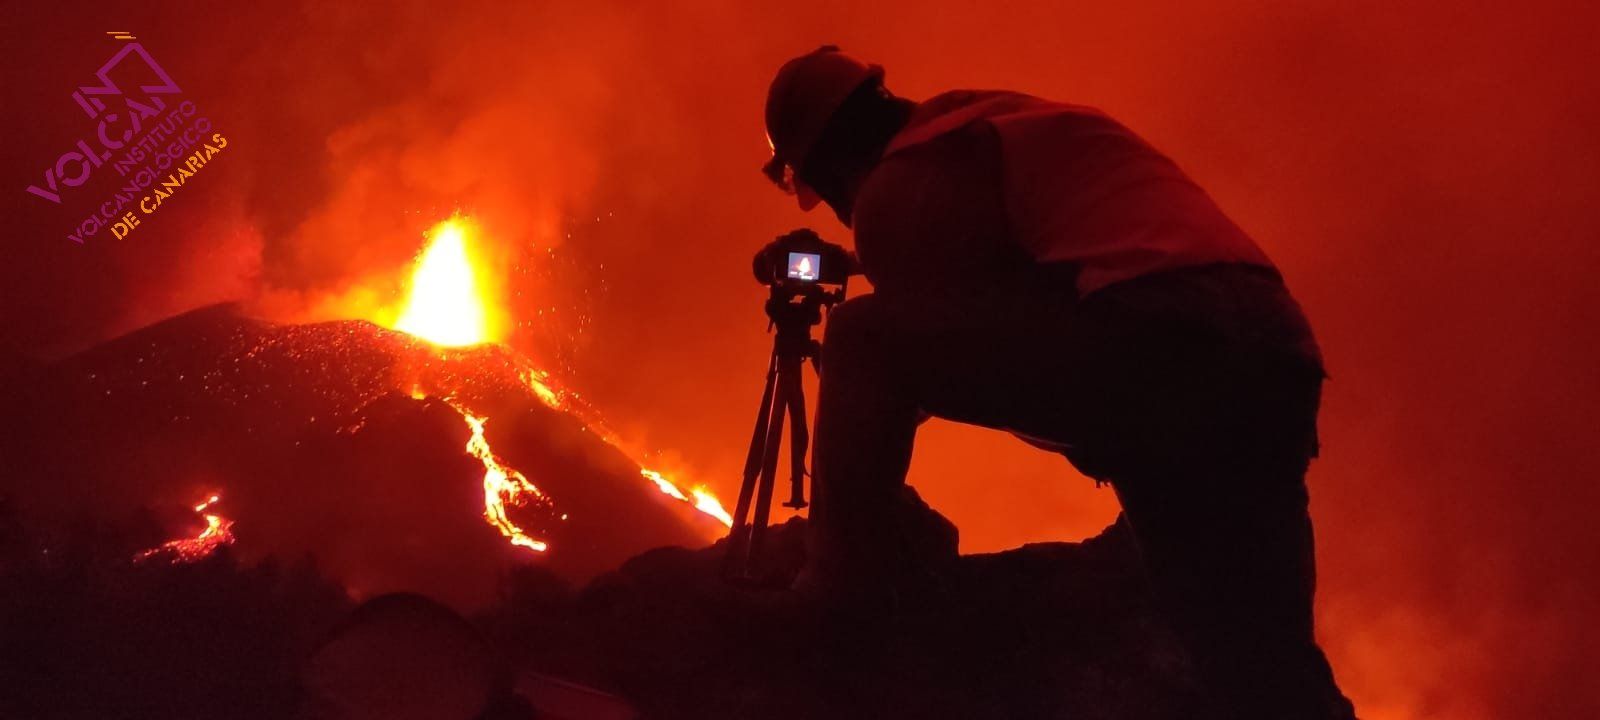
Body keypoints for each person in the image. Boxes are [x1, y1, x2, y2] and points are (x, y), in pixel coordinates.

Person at [761, 46, 1356, 719]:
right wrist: (860, 264)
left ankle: (838, 596)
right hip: (1272, 351)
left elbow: (918, 345)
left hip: (1152, 341)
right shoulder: (989, 125)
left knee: (861, 339)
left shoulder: (903, 185)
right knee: (1254, 655)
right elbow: (1007, 280)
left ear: (831, 163)